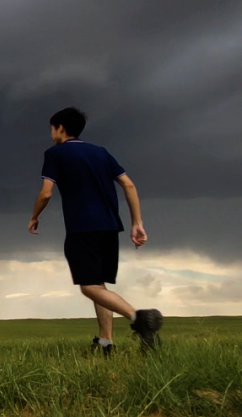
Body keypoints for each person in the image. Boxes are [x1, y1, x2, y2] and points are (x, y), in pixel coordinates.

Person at [28, 107, 163, 353]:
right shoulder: (101, 152)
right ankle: (106, 343)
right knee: (99, 285)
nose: (51, 135)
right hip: (110, 227)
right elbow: (128, 185)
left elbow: (46, 192)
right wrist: (137, 222)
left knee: (88, 286)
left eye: (51, 129)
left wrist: (35, 215)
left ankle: (140, 319)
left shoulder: (55, 154)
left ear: (60, 128)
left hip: (83, 228)